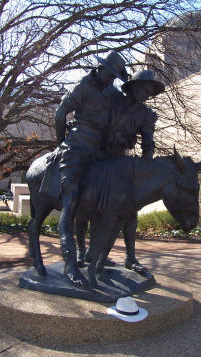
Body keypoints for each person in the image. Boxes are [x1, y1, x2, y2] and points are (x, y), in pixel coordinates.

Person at [77, 70, 165, 274]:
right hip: (95, 155)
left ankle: (130, 257)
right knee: (83, 202)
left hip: (118, 161)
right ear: (134, 86)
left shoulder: (146, 115)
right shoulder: (111, 97)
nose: (148, 94)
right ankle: (83, 251)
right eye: (145, 88)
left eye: (151, 91)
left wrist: (145, 165)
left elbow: (148, 143)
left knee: (129, 210)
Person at [55, 50, 128, 286]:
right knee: (71, 200)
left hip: (101, 151)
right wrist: (61, 144)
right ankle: (69, 262)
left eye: (115, 76)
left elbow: (128, 106)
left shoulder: (113, 92)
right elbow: (60, 113)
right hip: (77, 147)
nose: (111, 79)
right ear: (101, 68)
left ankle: (95, 256)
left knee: (108, 198)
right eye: (110, 74)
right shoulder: (83, 86)